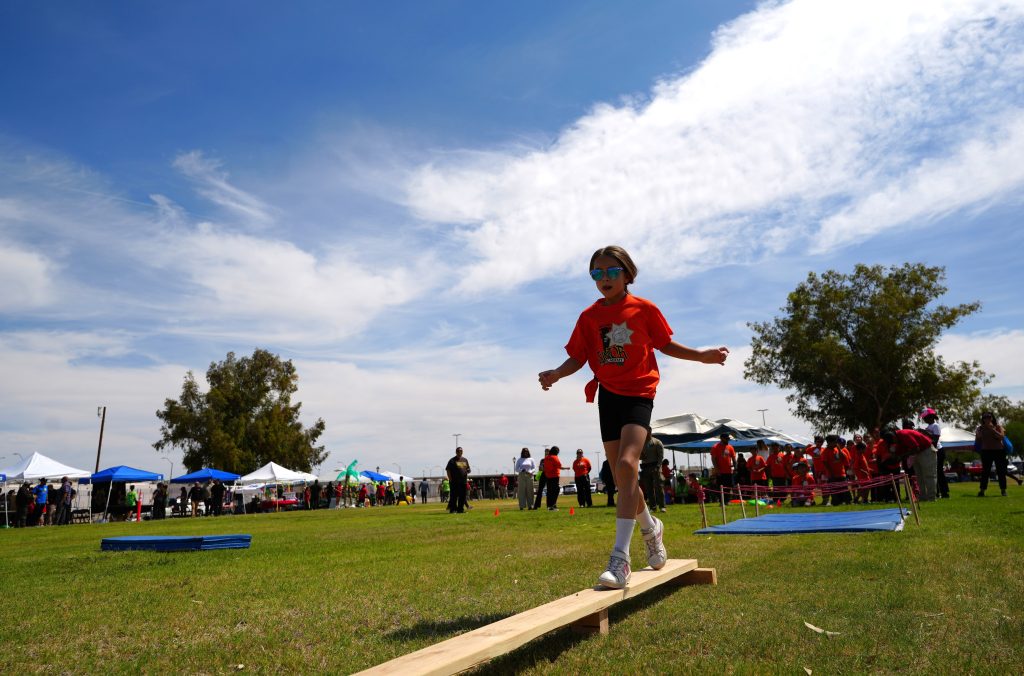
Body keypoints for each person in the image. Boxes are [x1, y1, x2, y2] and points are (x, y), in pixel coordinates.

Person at [538, 245, 729, 589]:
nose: (604, 279)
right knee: (623, 476)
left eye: (612, 271)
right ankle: (651, 529)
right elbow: (578, 358)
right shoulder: (588, 317)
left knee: (627, 464)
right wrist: (555, 373)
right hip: (608, 395)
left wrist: (702, 356)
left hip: (639, 392)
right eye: (597, 273)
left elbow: (665, 344)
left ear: (627, 274)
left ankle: (620, 559)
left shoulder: (644, 309)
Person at [884, 426, 938, 501]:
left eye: (892, 441)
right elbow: (899, 453)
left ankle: (931, 497)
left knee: (929, 475)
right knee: (919, 477)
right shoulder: (898, 439)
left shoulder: (904, 434)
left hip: (926, 450)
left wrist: (902, 456)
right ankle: (923, 497)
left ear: (893, 437)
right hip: (917, 454)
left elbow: (916, 448)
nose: (893, 443)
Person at [975, 411, 1008, 497]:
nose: (987, 419)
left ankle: (1003, 490)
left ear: (992, 418)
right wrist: (984, 429)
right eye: (985, 417)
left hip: (999, 451)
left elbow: (1001, 436)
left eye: (989, 417)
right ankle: (982, 491)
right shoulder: (980, 428)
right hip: (986, 451)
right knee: (985, 471)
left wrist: (992, 429)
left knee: (1001, 471)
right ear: (983, 419)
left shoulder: (998, 427)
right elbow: (978, 437)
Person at [639, 435, 666, 513]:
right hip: (645, 467)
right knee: (648, 488)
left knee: (658, 487)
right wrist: (641, 456)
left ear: (650, 431)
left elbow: (661, 456)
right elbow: (638, 455)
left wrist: (658, 466)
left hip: (655, 467)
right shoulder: (641, 442)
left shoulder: (657, 442)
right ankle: (652, 507)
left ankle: (662, 506)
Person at [824, 435, 852, 505]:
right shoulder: (825, 452)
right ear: (829, 442)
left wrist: (839, 449)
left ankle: (847, 501)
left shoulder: (837, 449)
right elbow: (826, 464)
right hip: (832, 475)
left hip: (841, 473)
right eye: (835, 442)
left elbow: (843, 458)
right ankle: (836, 502)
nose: (836, 443)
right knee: (834, 490)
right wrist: (832, 474)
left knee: (844, 489)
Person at [446, 447, 471, 513]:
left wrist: (468, 470)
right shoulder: (452, 460)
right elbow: (448, 470)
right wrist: (450, 479)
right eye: (458, 451)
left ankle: (460, 510)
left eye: (461, 451)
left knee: (462, 496)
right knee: (454, 496)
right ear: (456, 452)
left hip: (463, 482)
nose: (460, 452)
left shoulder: (465, 460)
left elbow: (468, 469)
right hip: (454, 482)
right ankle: (453, 510)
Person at [542, 446, 563, 510]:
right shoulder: (555, 457)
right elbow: (559, 465)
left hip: (548, 476)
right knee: (555, 490)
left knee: (549, 491)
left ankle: (549, 505)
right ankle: (553, 505)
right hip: (555, 476)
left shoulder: (546, 458)